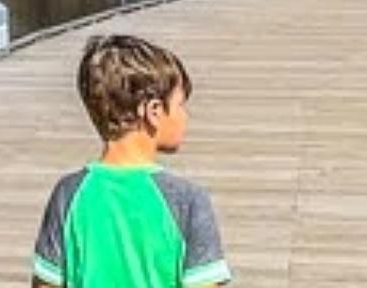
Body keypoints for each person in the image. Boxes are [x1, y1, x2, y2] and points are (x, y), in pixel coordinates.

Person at [29, 35, 230, 287]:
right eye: (180, 105)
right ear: (154, 112)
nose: (185, 116)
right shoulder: (187, 200)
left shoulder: (68, 194)